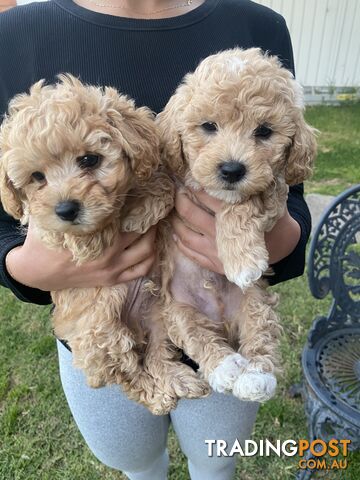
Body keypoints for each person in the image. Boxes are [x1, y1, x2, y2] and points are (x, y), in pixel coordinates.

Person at [0, 1, 311, 479]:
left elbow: (291, 195)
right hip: (107, 322)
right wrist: (27, 267)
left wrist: (261, 237)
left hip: (221, 312)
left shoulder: (258, 25)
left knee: (217, 458)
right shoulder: (12, 32)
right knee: (134, 460)